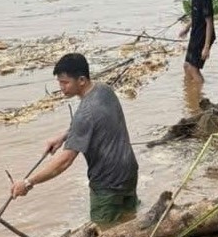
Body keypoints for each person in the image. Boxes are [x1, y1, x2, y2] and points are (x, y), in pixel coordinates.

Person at [9, 53, 139, 227]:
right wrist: (64, 136)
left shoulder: (84, 114)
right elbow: (94, 122)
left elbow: (64, 162)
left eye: (65, 82)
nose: (61, 87)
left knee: (105, 230)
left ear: (82, 80)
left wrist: (28, 182)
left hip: (108, 183)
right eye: (59, 82)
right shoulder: (103, 90)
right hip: (128, 170)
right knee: (129, 222)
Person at [176, 0, 216, 83]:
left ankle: (200, 96)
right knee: (186, 66)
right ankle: (190, 94)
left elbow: (209, 22)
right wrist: (187, 28)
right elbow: (196, 15)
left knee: (193, 68)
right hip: (195, 34)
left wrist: (206, 47)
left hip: (203, 37)